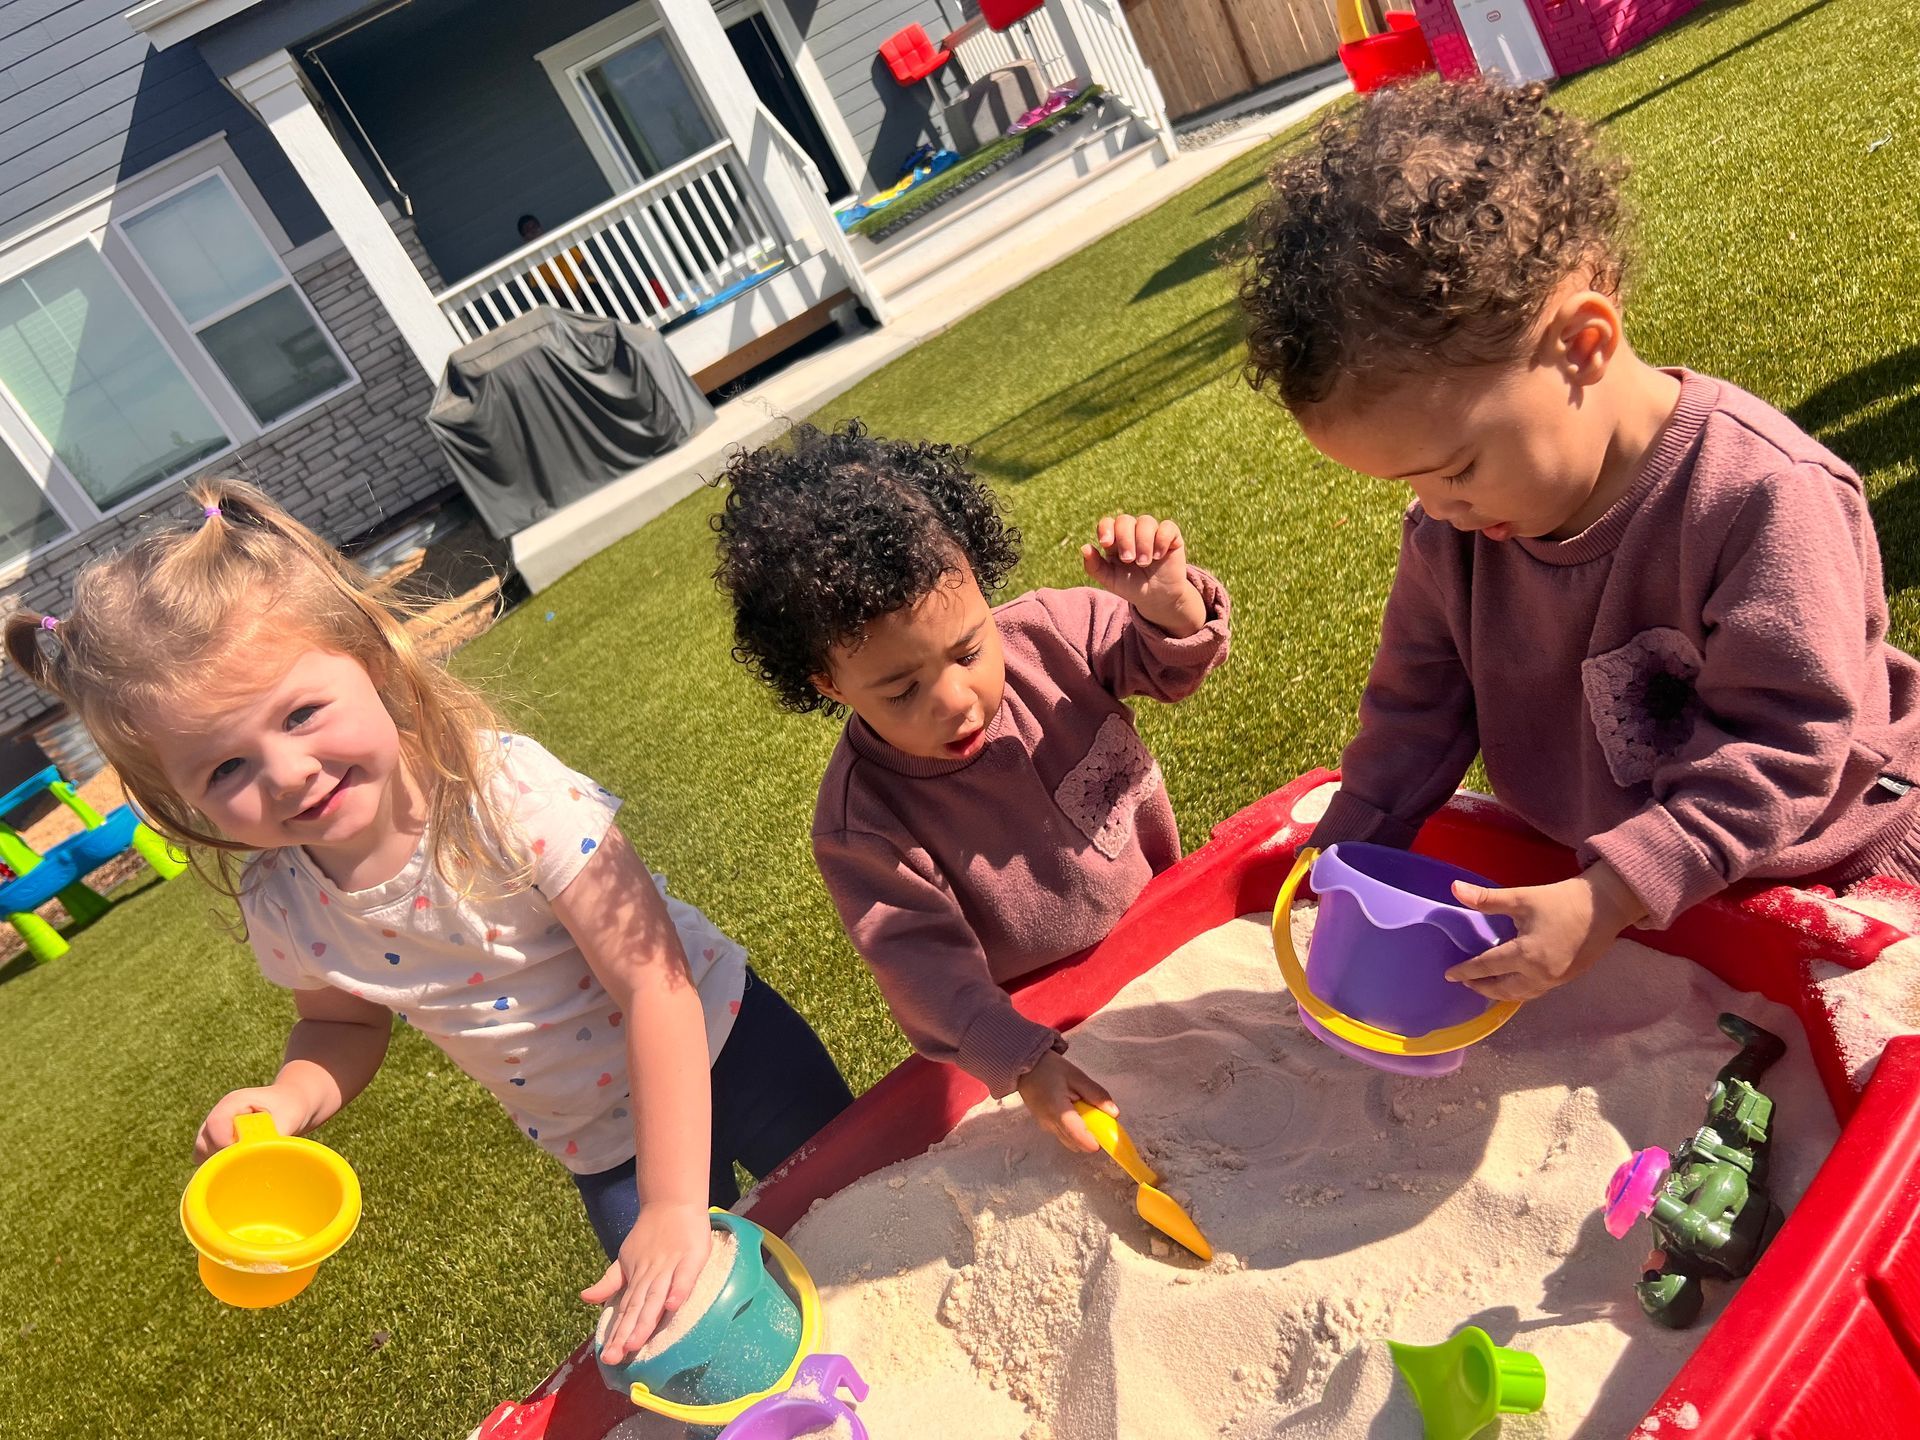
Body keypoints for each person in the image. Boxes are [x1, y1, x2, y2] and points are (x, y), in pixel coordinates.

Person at [2, 480, 851, 1365]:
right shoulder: (286, 903)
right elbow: (339, 1021)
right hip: (595, 1141)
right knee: (691, 1340)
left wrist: (678, 1207)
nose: (288, 772)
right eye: (224, 769)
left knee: (861, 1201)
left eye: (300, 714)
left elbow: (654, 982)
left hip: (727, 1047)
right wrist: (292, 1095)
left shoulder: (505, 796)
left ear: (368, 658)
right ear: (177, 800)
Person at [1234, 78, 1920, 1002]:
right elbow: (1416, 714)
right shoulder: (1454, 538)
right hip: (1649, 888)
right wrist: (1343, 850)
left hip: (1843, 863)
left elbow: (1785, 743)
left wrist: (1610, 896)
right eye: (1410, 486)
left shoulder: (1762, 497)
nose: (1438, 509)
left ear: (1583, 345)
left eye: (1458, 467)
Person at [712, 421, 1231, 1152]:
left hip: (1168, 935)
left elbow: (1171, 664)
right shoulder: (864, 823)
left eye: (968, 651)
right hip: (1049, 1024)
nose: (956, 699)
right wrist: (1018, 1058)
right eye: (901, 689)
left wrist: (1167, 605)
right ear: (830, 685)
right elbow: (925, 972)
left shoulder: (1053, 631)